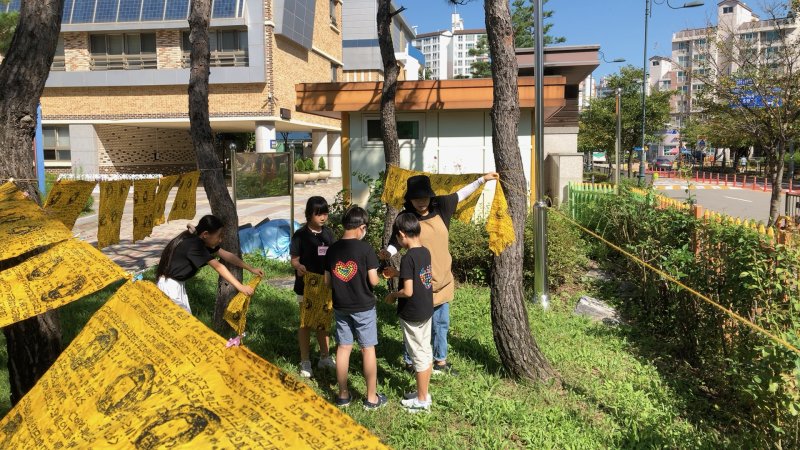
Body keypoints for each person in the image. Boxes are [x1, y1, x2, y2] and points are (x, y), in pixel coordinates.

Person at [381, 172, 499, 376]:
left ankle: (440, 361)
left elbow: (460, 194)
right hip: (418, 283)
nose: (421, 202)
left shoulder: (441, 207)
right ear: (409, 199)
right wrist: (387, 253)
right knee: (416, 327)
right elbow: (395, 243)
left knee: (441, 324)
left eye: (424, 197)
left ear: (431, 196)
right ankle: (411, 362)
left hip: (443, 279)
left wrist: (482, 180)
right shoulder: (405, 218)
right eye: (416, 199)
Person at [324, 206, 386, 410]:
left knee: (343, 347)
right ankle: (371, 398)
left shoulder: (332, 249)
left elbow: (327, 282)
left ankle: (343, 395)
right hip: (364, 307)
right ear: (362, 227)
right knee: (368, 349)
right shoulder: (366, 249)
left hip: (341, 306)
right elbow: (374, 281)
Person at [156, 215, 264, 314]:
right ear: (205, 234)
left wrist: (251, 269)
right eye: (219, 236)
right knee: (181, 324)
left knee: (184, 323)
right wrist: (241, 287)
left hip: (177, 284)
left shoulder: (200, 240)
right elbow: (218, 266)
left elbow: (227, 255)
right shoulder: (195, 245)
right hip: (169, 286)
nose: (220, 240)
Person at [384, 212, 434, 413]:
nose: (397, 241)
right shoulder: (425, 252)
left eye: (397, 237)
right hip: (426, 310)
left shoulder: (407, 258)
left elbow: (408, 291)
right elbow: (417, 276)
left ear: (402, 234)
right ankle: (424, 392)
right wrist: (398, 274)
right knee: (425, 351)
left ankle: (422, 401)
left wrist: (393, 295)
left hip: (412, 314)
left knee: (418, 356)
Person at [290, 196, 336, 378]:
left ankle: (325, 356)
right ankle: (305, 360)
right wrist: (299, 267)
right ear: (310, 214)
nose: (323, 217)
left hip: (325, 286)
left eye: (325, 213)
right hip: (305, 286)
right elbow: (294, 259)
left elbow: (333, 256)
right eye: (319, 214)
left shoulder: (329, 234)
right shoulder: (300, 235)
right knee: (305, 322)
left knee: (323, 322)